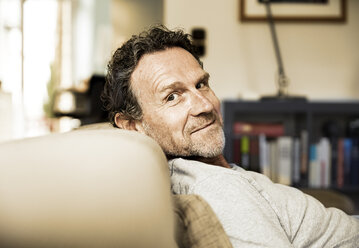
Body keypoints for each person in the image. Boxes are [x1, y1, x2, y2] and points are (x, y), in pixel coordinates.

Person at [102, 25, 359, 247]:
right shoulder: (214, 188)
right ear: (132, 125)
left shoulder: (205, 174)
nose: (205, 105)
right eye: (172, 96)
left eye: (201, 84)